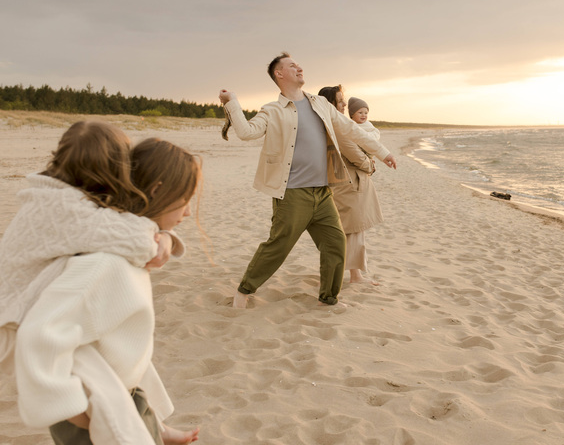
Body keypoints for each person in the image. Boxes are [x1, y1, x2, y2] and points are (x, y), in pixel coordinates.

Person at [13, 134, 201, 444]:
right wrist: (74, 412)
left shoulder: (131, 246)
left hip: (123, 391)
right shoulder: (104, 263)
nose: (189, 212)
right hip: (96, 411)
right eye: (185, 199)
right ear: (158, 191)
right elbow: (37, 336)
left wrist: (166, 238)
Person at [219, 52, 396, 308]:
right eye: (292, 66)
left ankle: (328, 299)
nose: (299, 68)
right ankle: (243, 291)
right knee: (278, 246)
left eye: (299, 65)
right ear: (279, 73)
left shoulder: (320, 103)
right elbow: (247, 132)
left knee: (335, 244)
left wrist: (383, 153)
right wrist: (232, 102)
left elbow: (350, 129)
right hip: (292, 193)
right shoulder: (272, 110)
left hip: (323, 192)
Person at [317, 89, 384, 284]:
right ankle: (356, 276)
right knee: (355, 230)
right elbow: (355, 154)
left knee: (352, 229)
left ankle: (352, 274)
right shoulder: (339, 127)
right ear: (330, 104)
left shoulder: (331, 124)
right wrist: (370, 165)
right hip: (351, 183)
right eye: (340, 101)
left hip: (346, 181)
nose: (344, 105)